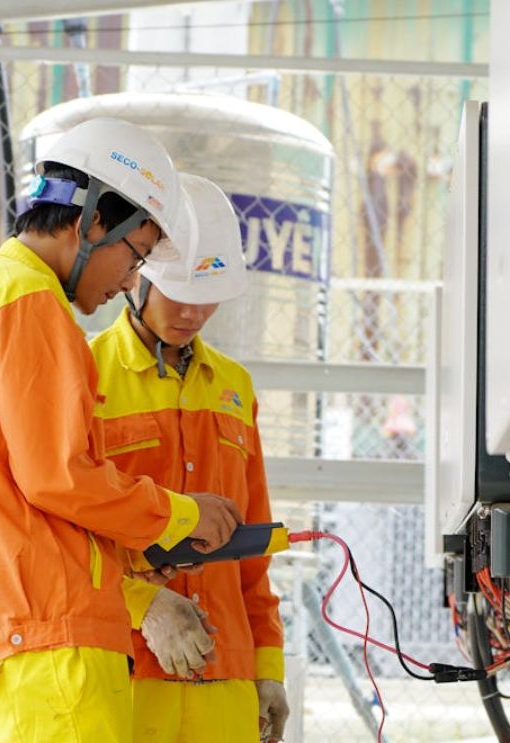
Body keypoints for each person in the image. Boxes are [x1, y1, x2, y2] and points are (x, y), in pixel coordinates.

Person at [0, 118, 243, 743]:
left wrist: (128, 554)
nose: (129, 281)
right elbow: (57, 476)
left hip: (4, 648)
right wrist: (181, 516)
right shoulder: (31, 304)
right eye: (136, 256)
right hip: (55, 654)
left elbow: (18, 488)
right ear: (92, 221)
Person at [91, 173, 289, 743]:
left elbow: (253, 551)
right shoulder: (84, 375)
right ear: (137, 278)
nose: (194, 314)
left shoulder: (234, 386)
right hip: (125, 671)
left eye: (209, 300)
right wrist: (140, 606)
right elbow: (65, 539)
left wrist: (267, 668)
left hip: (226, 677)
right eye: (182, 295)